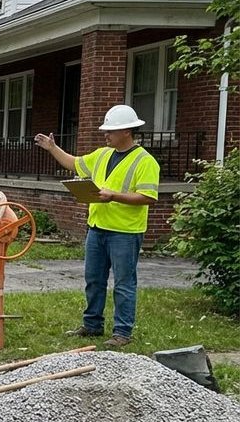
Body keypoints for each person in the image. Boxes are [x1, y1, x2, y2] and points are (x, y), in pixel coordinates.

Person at [34, 104, 160, 347]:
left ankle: (122, 332)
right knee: (94, 279)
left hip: (125, 232)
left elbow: (148, 197)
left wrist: (114, 196)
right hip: (97, 227)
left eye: (110, 131)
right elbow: (74, 164)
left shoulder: (145, 161)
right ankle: (92, 325)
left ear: (126, 131)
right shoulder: (102, 154)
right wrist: (53, 148)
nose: (106, 135)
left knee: (124, 283)